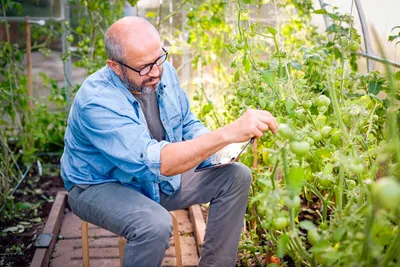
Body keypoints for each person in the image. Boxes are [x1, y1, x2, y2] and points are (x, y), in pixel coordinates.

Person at [61, 16, 277, 267]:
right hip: (101, 186)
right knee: (154, 224)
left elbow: (186, 123)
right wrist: (228, 132)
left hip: (153, 179)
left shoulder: (163, 72)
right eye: (144, 67)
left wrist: (220, 152)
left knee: (235, 176)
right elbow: (156, 161)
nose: (156, 72)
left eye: (158, 59)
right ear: (115, 66)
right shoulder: (96, 101)